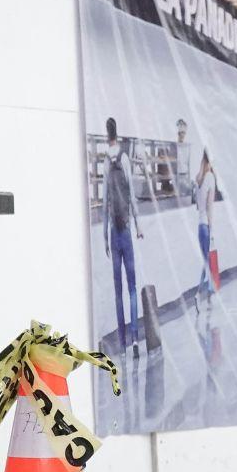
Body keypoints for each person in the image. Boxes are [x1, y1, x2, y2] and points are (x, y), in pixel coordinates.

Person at [100, 117, 143, 356]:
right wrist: (138, 225)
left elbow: (105, 201)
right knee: (133, 287)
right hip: (126, 229)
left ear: (107, 135)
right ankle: (136, 339)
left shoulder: (105, 161)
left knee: (118, 290)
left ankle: (123, 342)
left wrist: (104, 237)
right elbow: (132, 197)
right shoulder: (125, 158)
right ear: (119, 133)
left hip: (114, 234)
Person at [193, 140, 220, 309]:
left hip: (199, 226)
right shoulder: (210, 178)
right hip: (206, 226)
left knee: (207, 262)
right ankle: (199, 294)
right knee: (207, 263)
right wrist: (212, 230)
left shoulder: (199, 178)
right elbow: (210, 207)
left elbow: (198, 206)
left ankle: (208, 297)